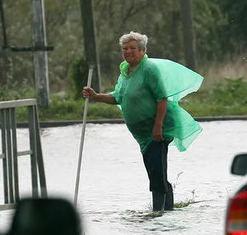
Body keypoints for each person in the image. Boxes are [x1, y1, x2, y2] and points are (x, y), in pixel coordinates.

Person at [82, 31, 203, 212]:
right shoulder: (125, 72)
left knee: (156, 173)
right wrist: (96, 96)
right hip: (142, 136)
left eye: (132, 48)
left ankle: (159, 215)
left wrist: (158, 127)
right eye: (125, 49)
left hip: (158, 130)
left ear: (142, 50)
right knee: (156, 172)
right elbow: (117, 97)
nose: (128, 52)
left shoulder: (149, 70)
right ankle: (167, 210)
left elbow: (162, 98)